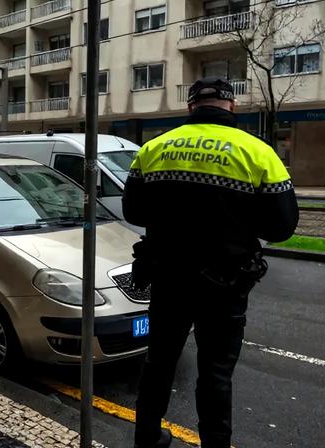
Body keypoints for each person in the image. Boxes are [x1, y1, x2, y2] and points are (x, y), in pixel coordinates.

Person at [124, 77, 299, 448]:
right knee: (216, 373)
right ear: (231, 106)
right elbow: (283, 226)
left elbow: (134, 211)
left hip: (169, 276)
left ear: (191, 108)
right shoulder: (258, 152)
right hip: (225, 283)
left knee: (158, 363)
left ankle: (146, 438)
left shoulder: (154, 148)